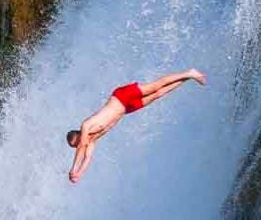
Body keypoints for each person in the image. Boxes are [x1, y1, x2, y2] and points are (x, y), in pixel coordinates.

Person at [65, 69, 206, 183]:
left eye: (76, 144)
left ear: (78, 135)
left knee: (156, 86)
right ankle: (188, 78)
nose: (78, 147)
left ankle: (189, 72)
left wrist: (73, 168)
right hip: (125, 109)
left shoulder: (86, 126)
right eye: (75, 147)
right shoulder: (92, 141)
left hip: (121, 97)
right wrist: (78, 174)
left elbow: (82, 147)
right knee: (158, 94)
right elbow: (87, 158)